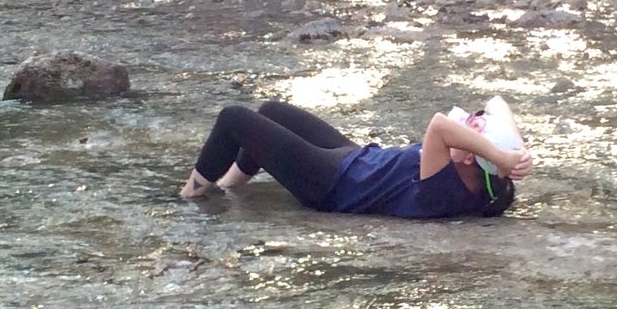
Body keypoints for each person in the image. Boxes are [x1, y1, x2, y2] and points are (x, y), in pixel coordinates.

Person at [180, 95, 533, 218]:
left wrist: (497, 156)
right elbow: (497, 101)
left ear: (471, 157)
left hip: (331, 185)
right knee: (271, 111)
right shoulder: (470, 171)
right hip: (353, 158)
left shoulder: (446, 189)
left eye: (471, 129)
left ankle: (188, 199)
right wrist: (513, 153)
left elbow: (439, 126)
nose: (465, 124)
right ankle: (228, 189)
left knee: (234, 118)